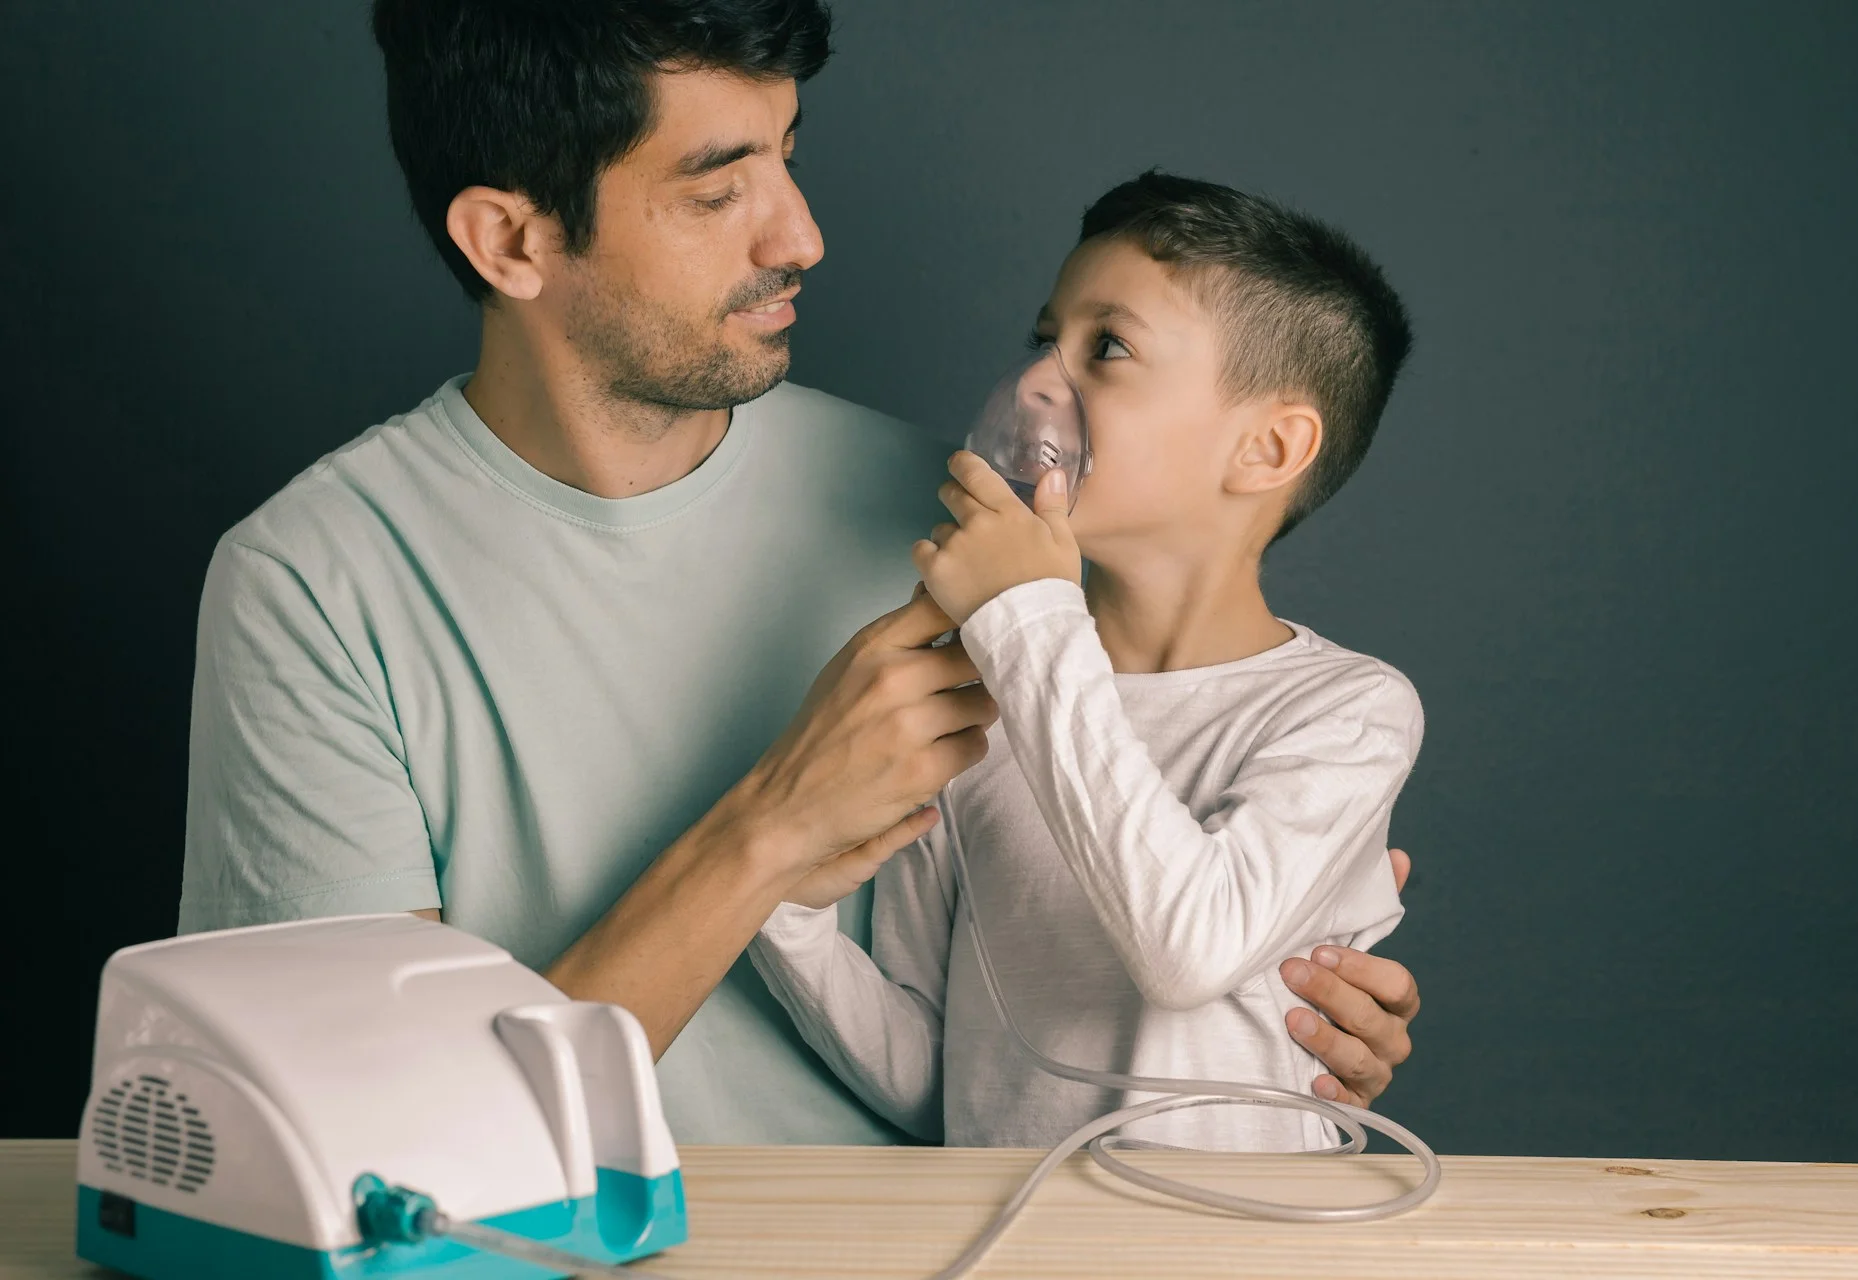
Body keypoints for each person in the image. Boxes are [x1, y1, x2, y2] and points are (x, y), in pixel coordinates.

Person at [177, 0, 1422, 1145]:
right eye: (719, 191)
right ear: (511, 237)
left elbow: (1124, 950)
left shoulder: (970, 529)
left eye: (790, 152)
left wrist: (1268, 1030)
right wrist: (768, 831)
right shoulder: (314, 588)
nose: (804, 236)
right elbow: (370, 1154)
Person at [750, 173, 1419, 1150]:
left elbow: (1191, 947)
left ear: (1269, 446)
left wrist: (1027, 612)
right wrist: (782, 901)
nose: (1033, 384)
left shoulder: (1347, 710)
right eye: (1042, 339)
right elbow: (934, 1082)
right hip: (1019, 1245)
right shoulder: (978, 697)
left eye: (1107, 346)